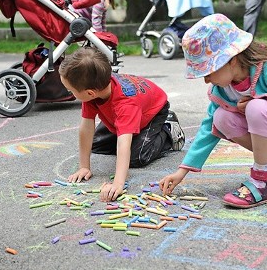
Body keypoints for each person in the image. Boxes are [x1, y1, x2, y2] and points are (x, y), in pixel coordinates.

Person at [159, 14, 267, 209]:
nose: (206, 80)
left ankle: (262, 182)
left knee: (256, 107)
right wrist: (182, 171)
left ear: (231, 59)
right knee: (220, 117)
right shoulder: (222, 89)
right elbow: (208, 128)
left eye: (208, 71)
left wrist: (265, 99)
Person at [59, 47, 186, 202]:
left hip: (154, 112)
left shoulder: (125, 104)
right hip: (122, 115)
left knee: (136, 157)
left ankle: (167, 130)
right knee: (96, 144)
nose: (70, 93)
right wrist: (84, 166)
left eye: (71, 91)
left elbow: (123, 143)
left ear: (90, 93)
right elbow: (86, 128)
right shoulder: (94, 91)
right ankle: (135, 131)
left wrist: (118, 183)